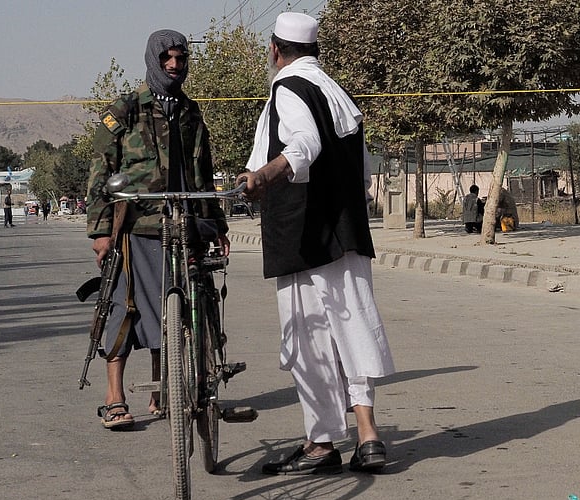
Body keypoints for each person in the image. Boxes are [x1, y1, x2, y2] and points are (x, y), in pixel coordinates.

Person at [237, 12, 395, 475]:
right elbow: (364, 173)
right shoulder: (335, 91)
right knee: (353, 330)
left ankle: (322, 444)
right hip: (346, 234)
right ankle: (368, 437)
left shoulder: (287, 89)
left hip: (304, 235)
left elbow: (304, 144)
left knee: (310, 340)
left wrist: (263, 175)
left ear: (274, 49)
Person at [85, 29, 230, 430]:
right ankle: (114, 398)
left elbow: (202, 175)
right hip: (134, 227)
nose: (173, 65)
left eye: (180, 58)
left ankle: (163, 391)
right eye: (166, 57)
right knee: (124, 309)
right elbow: (101, 173)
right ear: (152, 58)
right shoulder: (125, 110)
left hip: (185, 225)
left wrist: (217, 224)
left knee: (182, 309)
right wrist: (101, 232)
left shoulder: (191, 113)